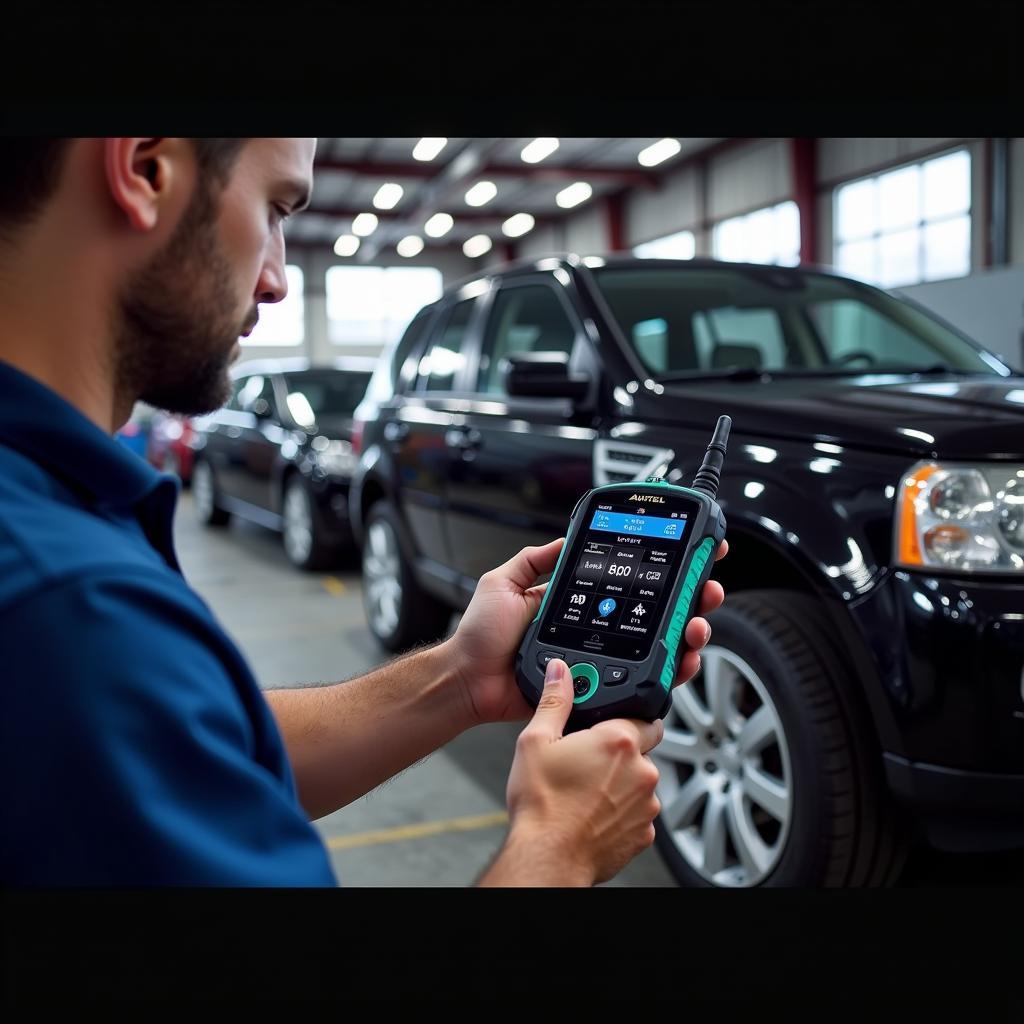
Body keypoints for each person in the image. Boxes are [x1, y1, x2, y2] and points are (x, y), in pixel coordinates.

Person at [0, 138, 726, 886]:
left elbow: (189, 744)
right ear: (145, 168)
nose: (280, 279)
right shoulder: (67, 605)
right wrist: (557, 851)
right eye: (275, 208)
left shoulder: (51, 519)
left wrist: (459, 678)